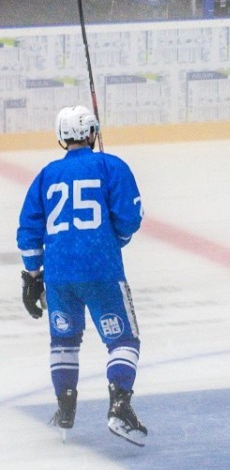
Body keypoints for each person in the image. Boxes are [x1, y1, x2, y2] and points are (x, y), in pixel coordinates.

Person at [18, 106, 146, 445]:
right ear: (92, 133)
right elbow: (130, 218)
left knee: (63, 340)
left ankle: (65, 410)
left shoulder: (46, 175)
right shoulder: (110, 165)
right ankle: (119, 405)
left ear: (61, 137)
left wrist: (32, 277)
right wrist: (113, 240)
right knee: (122, 340)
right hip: (102, 269)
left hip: (58, 276)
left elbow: (28, 229)